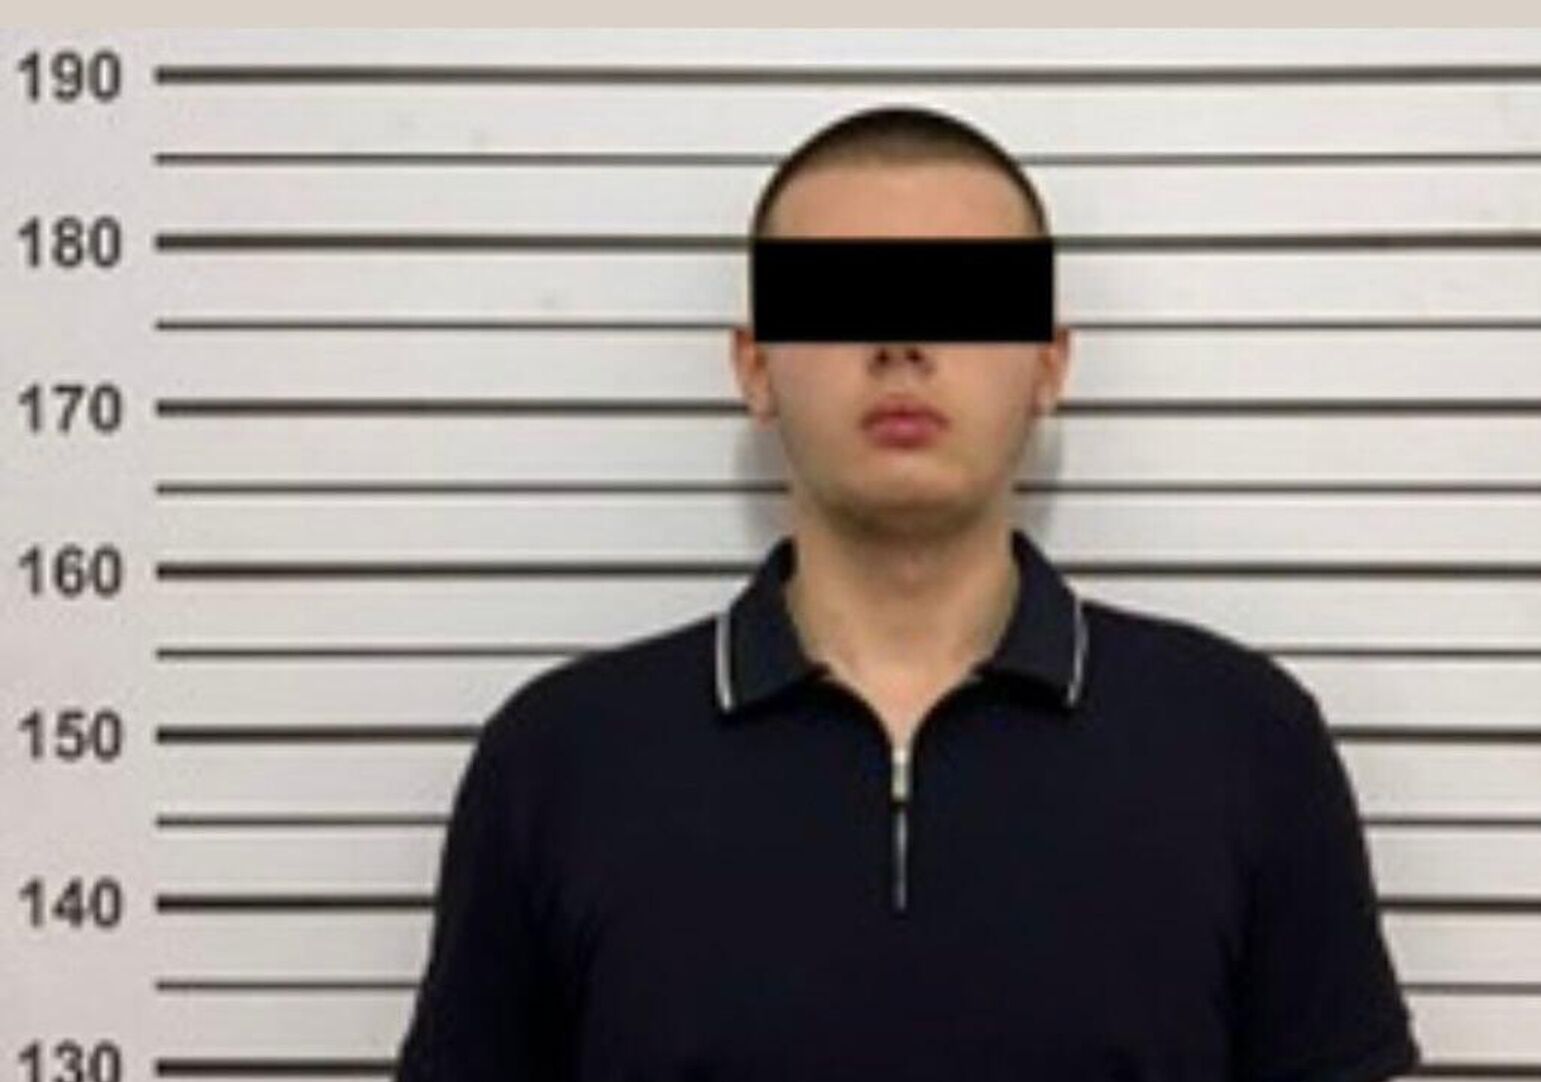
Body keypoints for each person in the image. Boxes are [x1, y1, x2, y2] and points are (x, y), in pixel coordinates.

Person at [394, 103, 1423, 1082]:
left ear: (1049, 364)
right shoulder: (560, 764)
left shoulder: (1245, 744)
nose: (900, 345)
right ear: (755, 367)